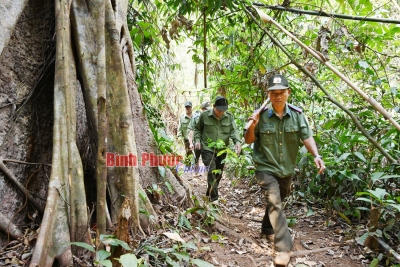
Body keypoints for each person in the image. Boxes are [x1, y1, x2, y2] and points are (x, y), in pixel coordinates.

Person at [244, 74, 325, 266]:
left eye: (281, 93)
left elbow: (307, 137)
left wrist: (316, 155)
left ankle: (266, 227)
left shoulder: (297, 115)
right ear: (269, 95)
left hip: (286, 169)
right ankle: (283, 247)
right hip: (265, 167)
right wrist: (252, 126)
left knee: (278, 201)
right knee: (274, 201)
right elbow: (248, 140)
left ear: (288, 93)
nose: (278, 96)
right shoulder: (261, 115)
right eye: (274, 93)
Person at [194, 96, 241, 203]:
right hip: (207, 148)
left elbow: (234, 131)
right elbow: (197, 129)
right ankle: (215, 200)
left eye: (224, 110)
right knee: (211, 171)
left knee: (218, 174)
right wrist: (197, 140)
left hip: (222, 150)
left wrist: (237, 142)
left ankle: (209, 195)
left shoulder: (229, 117)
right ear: (214, 106)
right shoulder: (204, 115)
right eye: (219, 110)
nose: (221, 112)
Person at [188, 101, 211, 177]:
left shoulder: (211, 117)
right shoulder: (195, 117)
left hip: (207, 142)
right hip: (197, 141)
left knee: (207, 159)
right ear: (202, 109)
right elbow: (191, 130)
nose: (206, 111)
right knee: (196, 158)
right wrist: (191, 142)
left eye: (208, 109)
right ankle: (196, 173)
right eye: (205, 109)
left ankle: (206, 175)